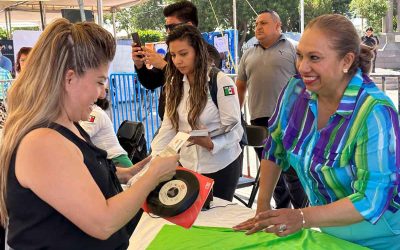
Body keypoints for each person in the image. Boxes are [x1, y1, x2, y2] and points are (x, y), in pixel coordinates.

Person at [0, 19, 178, 249]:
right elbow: (102, 222)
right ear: (69, 78)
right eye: (99, 82)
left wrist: (131, 173)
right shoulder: (42, 141)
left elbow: (81, 179)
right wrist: (152, 176)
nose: (103, 93)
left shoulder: (68, 125)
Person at [233, 14, 400, 250]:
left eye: (314, 58)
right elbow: (275, 145)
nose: (302, 67)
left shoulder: (375, 111)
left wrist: (302, 217)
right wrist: (262, 208)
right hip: (328, 235)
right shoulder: (295, 90)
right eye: (300, 55)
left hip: (380, 239)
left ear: (346, 61)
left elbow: (372, 199)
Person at [151, 25, 243, 202]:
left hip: (221, 165)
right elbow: (168, 127)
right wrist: (154, 158)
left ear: (198, 52)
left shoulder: (221, 81)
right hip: (188, 165)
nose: (178, 61)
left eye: (184, 54)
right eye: (173, 55)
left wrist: (212, 144)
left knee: (216, 221)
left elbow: (235, 130)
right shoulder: (173, 84)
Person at [236, 9, 307, 209]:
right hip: (259, 121)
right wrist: (236, 117)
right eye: (256, 24)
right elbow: (240, 86)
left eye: (264, 23)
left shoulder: (294, 48)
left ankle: (302, 215)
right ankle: (281, 211)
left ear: (278, 25)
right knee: (270, 172)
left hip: (290, 121)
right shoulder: (248, 53)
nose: (258, 27)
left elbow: (305, 84)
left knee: (292, 172)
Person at [132, 0, 221, 120]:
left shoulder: (208, 52)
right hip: (169, 121)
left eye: (172, 27)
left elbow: (198, 78)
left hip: (196, 123)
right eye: (166, 27)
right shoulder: (170, 54)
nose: (168, 31)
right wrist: (140, 65)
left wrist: (163, 65)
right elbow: (151, 82)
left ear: (189, 26)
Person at [79, 90, 144, 175]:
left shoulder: (95, 113)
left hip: (116, 161)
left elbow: (80, 136)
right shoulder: (88, 112)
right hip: (109, 161)